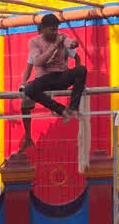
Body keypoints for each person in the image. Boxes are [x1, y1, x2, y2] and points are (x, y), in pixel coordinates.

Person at [17, 13, 86, 150]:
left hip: (60, 75)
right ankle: (61, 110)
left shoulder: (62, 37)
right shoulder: (34, 42)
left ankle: (72, 108)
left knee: (81, 70)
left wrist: (73, 44)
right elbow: (37, 62)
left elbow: (70, 44)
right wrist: (54, 46)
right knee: (29, 90)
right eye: (51, 29)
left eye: (56, 29)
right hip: (43, 78)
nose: (55, 32)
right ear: (42, 29)